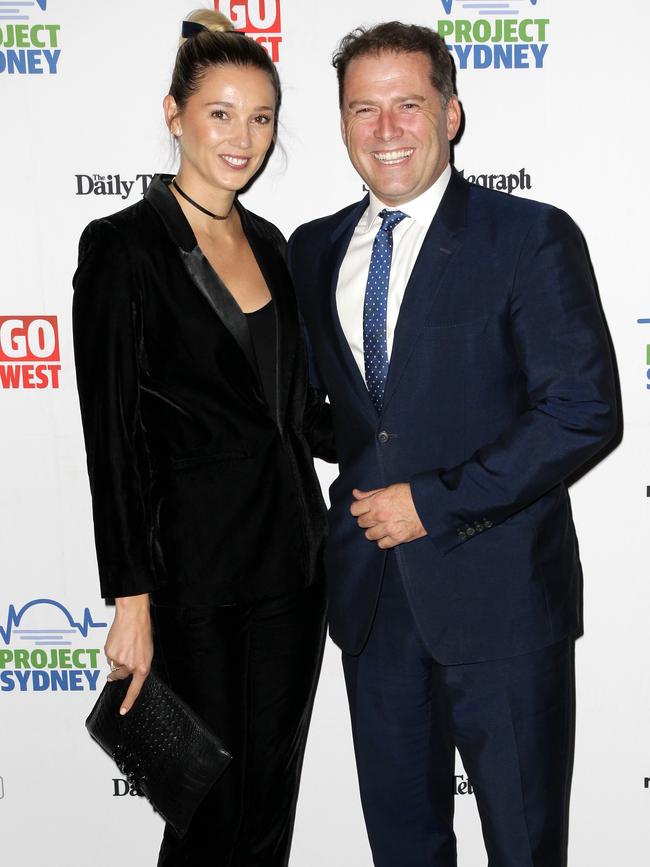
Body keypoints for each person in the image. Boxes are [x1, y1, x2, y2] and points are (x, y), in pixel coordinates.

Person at [288, 21, 616, 867]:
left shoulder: (529, 236)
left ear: (452, 113)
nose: (386, 129)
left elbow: (582, 410)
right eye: (365, 109)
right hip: (372, 603)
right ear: (342, 125)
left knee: (524, 847)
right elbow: (340, 416)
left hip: (503, 597)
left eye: (408, 104)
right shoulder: (312, 249)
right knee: (402, 849)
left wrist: (431, 500)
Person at [73, 9, 335, 866]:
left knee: (269, 805)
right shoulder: (123, 247)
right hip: (191, 579)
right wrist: (131, 598)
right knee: (207, 814)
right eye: (220, 112)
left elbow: (292, 412)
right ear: (173, 113)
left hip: (293, 568)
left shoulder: (272, 244)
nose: (243, 137)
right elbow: (110, 437)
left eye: (260, 117)